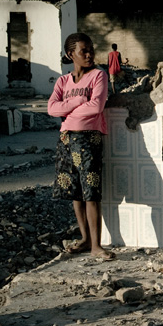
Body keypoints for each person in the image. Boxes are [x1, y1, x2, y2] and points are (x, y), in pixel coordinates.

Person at [48, 32, 114, 260]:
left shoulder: (99, 76)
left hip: (88, 139)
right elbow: (51, 109)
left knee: (91, 192)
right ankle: (85, 239)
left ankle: (96, 245)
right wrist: (77, 101)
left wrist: (67, 111)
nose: (89, 54)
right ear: (71, 54)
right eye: (83, 51)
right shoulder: (63, 81)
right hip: (66, 139)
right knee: (76, 192)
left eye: (91, 50)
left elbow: (96, 107)